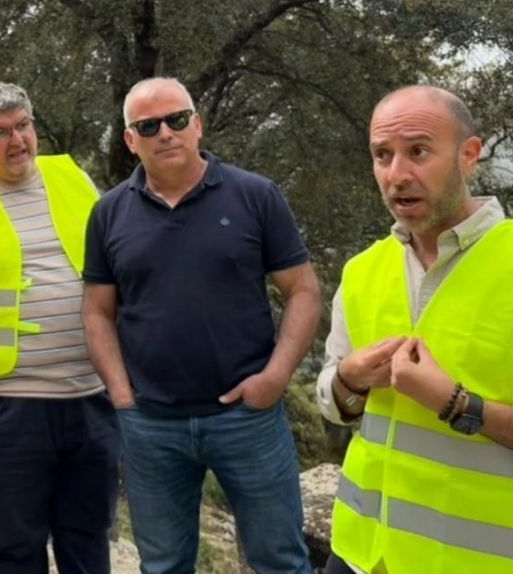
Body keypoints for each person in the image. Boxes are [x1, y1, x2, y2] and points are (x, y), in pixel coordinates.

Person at [82, 77, 320, 574]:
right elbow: (97, 311)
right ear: (130, 140)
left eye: (177, 119)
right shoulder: (108, 213)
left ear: (197, 124)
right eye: (148, 125)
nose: (165, 133)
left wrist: (274, 380)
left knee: (279, 560)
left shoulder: (256, 195)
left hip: (248, 420)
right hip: (150, 425)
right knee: (164, 564)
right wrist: (122, 396)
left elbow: (302, 291)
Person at [317, 86, 513, 574]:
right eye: (382, 155)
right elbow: (331, 398)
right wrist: (348, 379)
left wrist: (457, 404)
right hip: (359, 553)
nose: (397, 175)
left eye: (418, 151)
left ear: (469, 155)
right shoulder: (362, 270)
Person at [0, 81, 121, 573]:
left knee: (87, 540)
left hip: (90, 399)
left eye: (23, 125)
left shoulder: (72, 176)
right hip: (6, 407)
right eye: (0, 132)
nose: (16, 139)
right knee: (13, 546)